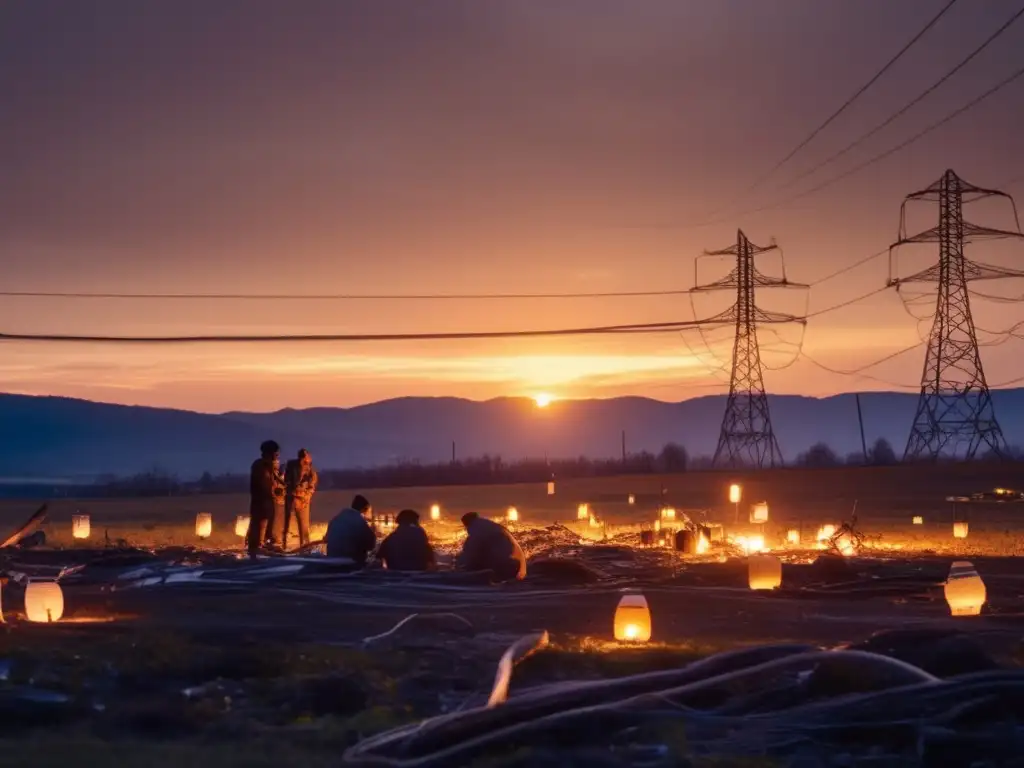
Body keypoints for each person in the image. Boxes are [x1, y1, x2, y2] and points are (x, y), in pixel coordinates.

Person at [456, 511, 527, 582]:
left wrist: (459, 564)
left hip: (500, 559)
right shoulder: (493, 526)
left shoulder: (475, 528)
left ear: (467, 522)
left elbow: (470, 548)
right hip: (511, 559)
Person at [247, 440, 285, 556]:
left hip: (268, 502)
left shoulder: (270, 467)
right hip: (261, 502)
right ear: (270, 453)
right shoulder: (260, 466)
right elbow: (263, 484)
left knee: (268, 524)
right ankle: (255, 547)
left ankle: (266, 544)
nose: (277, 456)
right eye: (276, 454)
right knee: (259, 524)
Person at [324, 494, 377, 566]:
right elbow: (371, 545)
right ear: (364, 509)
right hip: (350, 565)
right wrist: (373, 530)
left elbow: (326, 539)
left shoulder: (336, 519)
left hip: (331, 562)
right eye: (369, 511)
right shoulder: (359, 521)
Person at [284, 448, 318, 548]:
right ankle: (284, 545)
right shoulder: (291, 465)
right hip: (291, 497)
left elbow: (313, 481)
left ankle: (305, 547)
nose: (305, 461)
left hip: (303, 499)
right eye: (303, 458)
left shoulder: (310, 468)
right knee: (286, 523)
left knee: (304, 526)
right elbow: (287, 480)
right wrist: (292, 489)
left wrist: (308, 493)